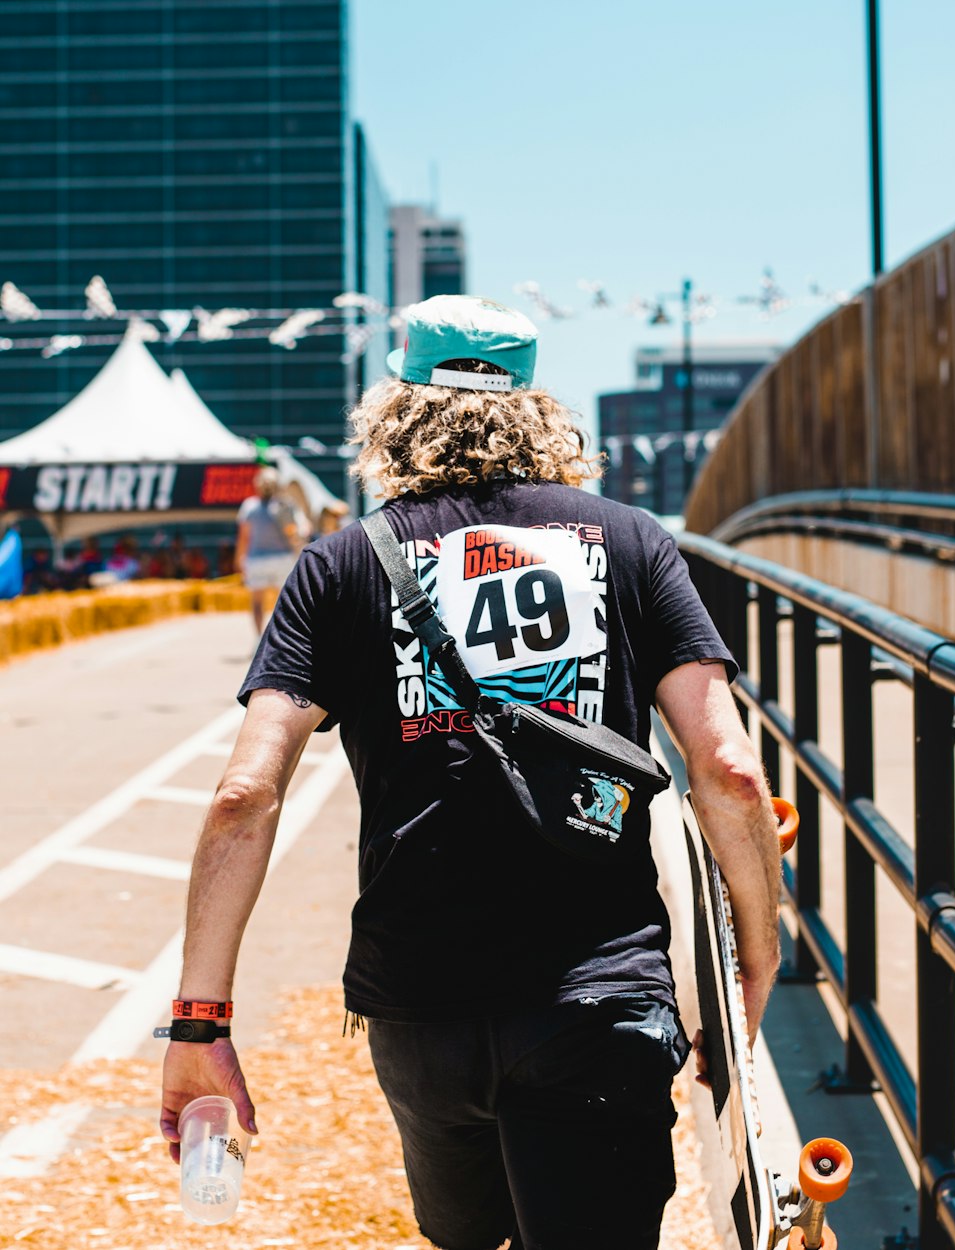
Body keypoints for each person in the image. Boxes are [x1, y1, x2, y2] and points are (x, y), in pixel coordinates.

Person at [159, 295, 781, 1250]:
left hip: (422, 1003)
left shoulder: (340, 565)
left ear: (400, 407)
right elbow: (731, 772)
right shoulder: (631, 542)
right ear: (535, 406)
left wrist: (200, 1025)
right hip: (597, 999)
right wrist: (755, 950)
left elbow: (246, 792)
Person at [234, 466, 306, 634]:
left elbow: (244, 537)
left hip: (256, 559)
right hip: (283, 559)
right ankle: (282, 638)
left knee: (257, 603)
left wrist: (238, 558)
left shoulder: (249, 506)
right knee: (284, 602)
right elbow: (295, 531)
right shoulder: (285, 505)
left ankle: (258, 639)